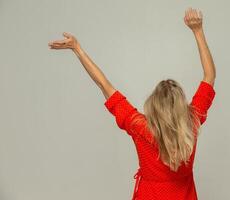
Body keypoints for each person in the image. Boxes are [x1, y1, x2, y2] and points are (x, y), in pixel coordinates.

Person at [48, 7, 216, 200]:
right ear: (181, 105)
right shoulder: (192, 123)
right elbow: (209, 76)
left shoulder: (140, 127)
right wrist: (198, 31)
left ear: (153, 105)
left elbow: (104, 85)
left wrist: (77, 49)